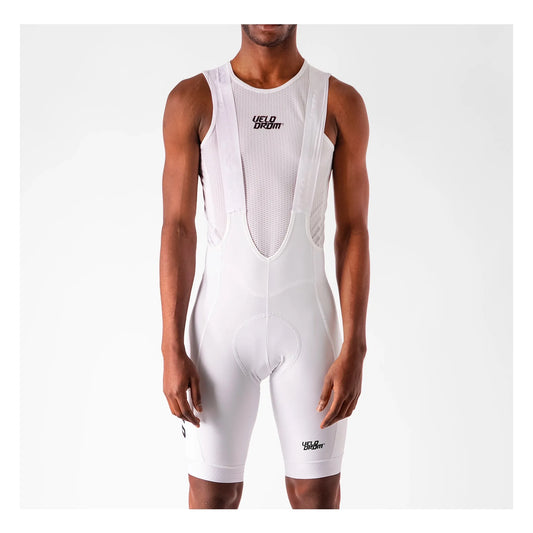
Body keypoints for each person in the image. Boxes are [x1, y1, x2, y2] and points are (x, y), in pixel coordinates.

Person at [159, 24, 370, 509]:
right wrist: (171, 346)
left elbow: (354, 231)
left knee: (315, 497)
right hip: (219, 333)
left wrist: (355, 347)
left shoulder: (340, 103)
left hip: (310, 332)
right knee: (213, 499)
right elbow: (178, 229)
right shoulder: (192, 99)